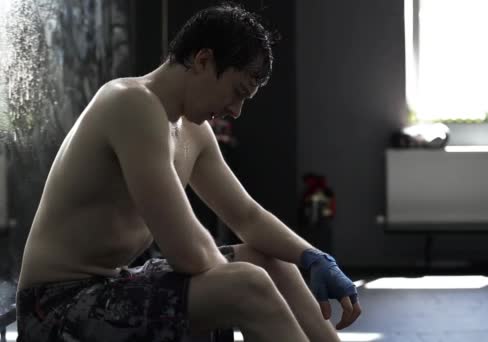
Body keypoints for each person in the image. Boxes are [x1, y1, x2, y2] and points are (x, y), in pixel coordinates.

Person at [15, 3, 361, 341]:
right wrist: (242, 287)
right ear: (203, 60)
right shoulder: (129, 103)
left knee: (270, 260)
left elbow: (248, 216)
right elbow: (187, 252)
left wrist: (312, 257)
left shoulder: (193, 131)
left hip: (112, 284)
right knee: (248, 284)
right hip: (55, 307)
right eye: (237, 92)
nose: (236, 111)